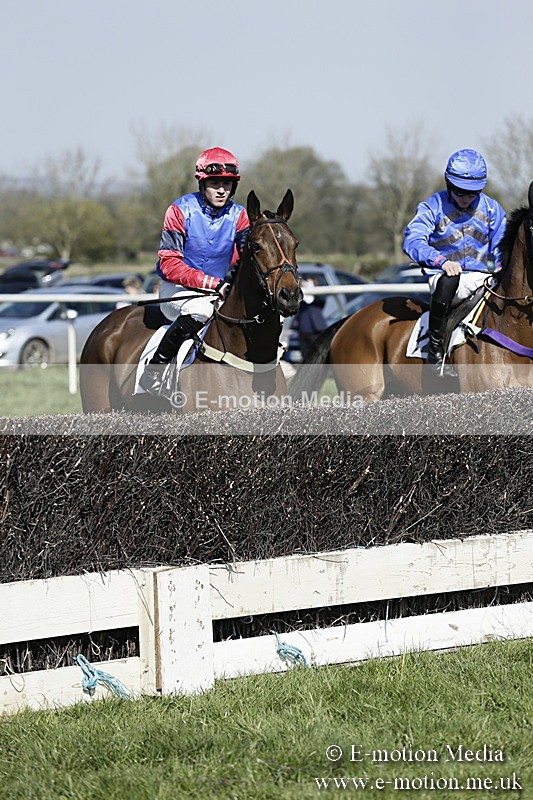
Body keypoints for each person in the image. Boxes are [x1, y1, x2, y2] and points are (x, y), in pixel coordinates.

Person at [140, 147, 250, 395]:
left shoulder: (240, 215)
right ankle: (154, 371)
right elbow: (169, 264)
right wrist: (212, 284)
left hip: (219, 291)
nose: (221, 190)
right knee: (202, 309)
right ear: (202, 183)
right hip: (177, 291)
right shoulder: (179, 210)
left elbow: (247, 258)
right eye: (214, 183)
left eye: (227, 184)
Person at [403, 149, 506, 375]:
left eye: (473, 193)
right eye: (460, 192)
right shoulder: (432, 206)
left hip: (481, 277)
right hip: (443, 277)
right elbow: (413, 240)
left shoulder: (492, 209)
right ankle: (435, 350)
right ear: (448, 183)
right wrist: (440, 261)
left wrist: (500, 267)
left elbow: (501, 246)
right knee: (451, 278)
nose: (466, 198)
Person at [296, 278, 328, 358]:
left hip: (316, 333)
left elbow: (322, 299)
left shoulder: (317, 300)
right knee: (305, 357)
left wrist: (312, 288)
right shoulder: (301, 300)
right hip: (304, 333)